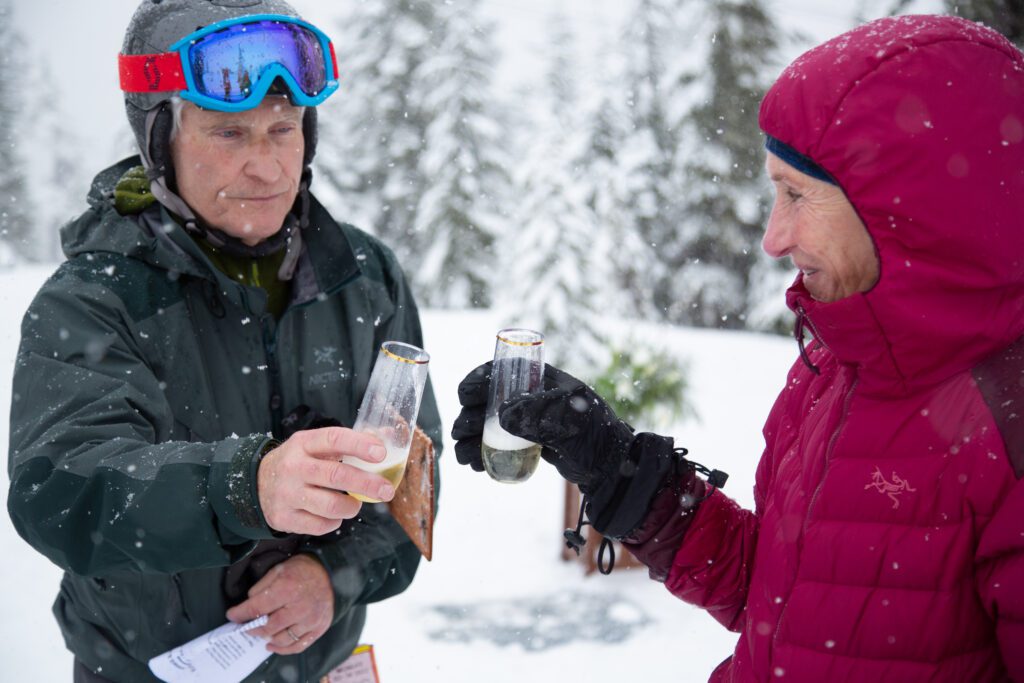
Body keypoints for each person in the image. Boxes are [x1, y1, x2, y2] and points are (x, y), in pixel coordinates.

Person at [454, 14, 1024, 682]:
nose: (773, 237)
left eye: (797, 195)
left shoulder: (1006, 428)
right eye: (771, 191)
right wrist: (620, 472)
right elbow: (781, 595)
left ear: (905, 208)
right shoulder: (834, 369)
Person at [6, 1, 441, 681]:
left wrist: (335, 575)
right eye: (229, 134)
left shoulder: (363, 277)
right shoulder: (96, 299)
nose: (267, 167)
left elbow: (410, 475)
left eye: (283, 129)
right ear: (162, 141)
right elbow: (59, 492)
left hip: (320, 664)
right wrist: (242, 485)